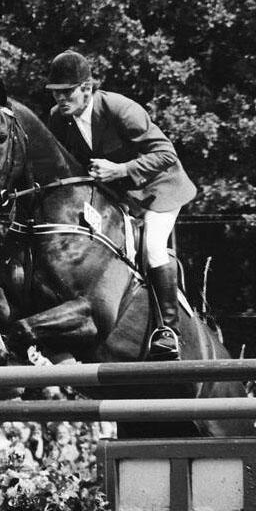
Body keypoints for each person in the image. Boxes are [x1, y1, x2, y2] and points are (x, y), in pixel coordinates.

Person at [44, 49, 197, 359]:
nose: (61, 99)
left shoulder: (119, 108)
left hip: (160, 189)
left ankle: (169, 331)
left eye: (67, 91)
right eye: (56, 92)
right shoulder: (59, 120)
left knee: (153, 247)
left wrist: (122, 169)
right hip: (120, 196)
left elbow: (167, 154)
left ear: (86, 88)